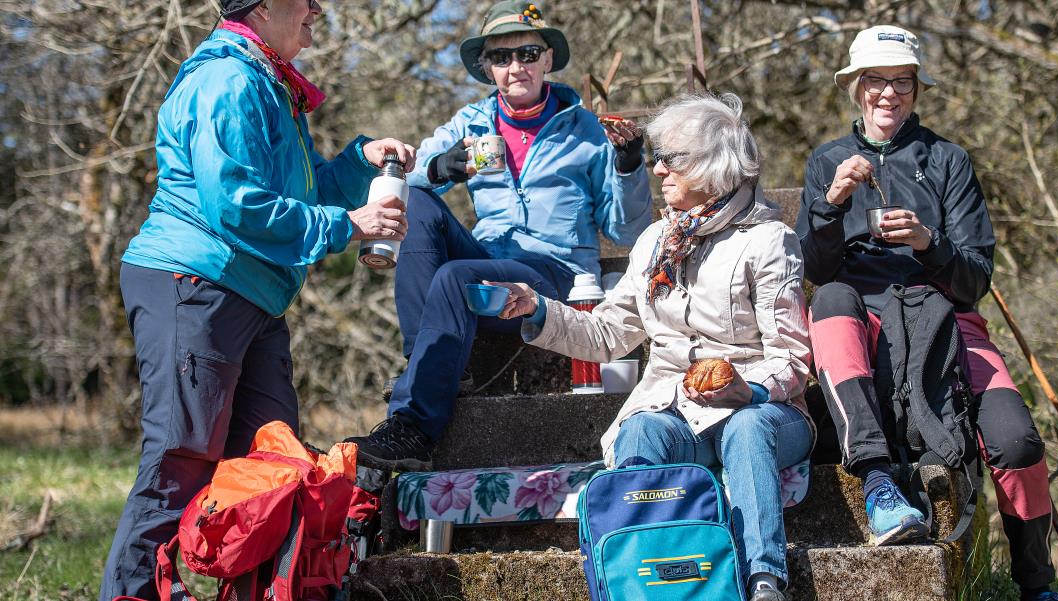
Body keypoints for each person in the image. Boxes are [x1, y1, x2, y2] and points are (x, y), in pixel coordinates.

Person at [99, 0, 416, 597]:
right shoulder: (228, 78)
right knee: (182, 458)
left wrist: (355, 165)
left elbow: (292, 193)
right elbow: (238, 206)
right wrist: (351, 225)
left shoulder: (266, 79)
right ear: (264, 6)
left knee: (271, 465)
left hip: (254, 298)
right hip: (195, 285)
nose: (317, 9)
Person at [492, 93, 812, 601]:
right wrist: (537, 309)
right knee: (641, 429)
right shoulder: (654, 241)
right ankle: (639, 582)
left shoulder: (769, 240)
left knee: (748, 429)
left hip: (766, 411)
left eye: (672, 159)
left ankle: (763, 580)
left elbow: (793, 361)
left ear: (712, 166)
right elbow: (606, 335)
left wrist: (746, 390)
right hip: (676, 410)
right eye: (658, 157)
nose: (657, 168)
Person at [797, 26, 1058, 601]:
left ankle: (1037, 585)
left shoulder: (948, 160)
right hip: (859, 316)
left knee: (1018, 444)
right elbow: (816, 269)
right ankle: (875, 479)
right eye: (875, 81)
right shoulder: (827, 162)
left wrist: (927, 243)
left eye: (902, 83)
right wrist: (831, 203)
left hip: (947, 315)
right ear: (854, 87)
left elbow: (975, 279)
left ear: (918, 89)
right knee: (830, 299)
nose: (888, 94)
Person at [343, 0, 652, 471]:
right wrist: (439, 166)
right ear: (487, 68)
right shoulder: (472, 123)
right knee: (419, 201)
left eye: (528, 54)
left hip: (556, 276)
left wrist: (630, 166)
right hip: (489, 258)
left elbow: (625, 229)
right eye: (502, 58)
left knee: (454, 279)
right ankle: (427, 363)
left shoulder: (586, 130)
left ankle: (415, 428)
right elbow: (413, 172)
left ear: (548, 59)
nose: (516, 67)